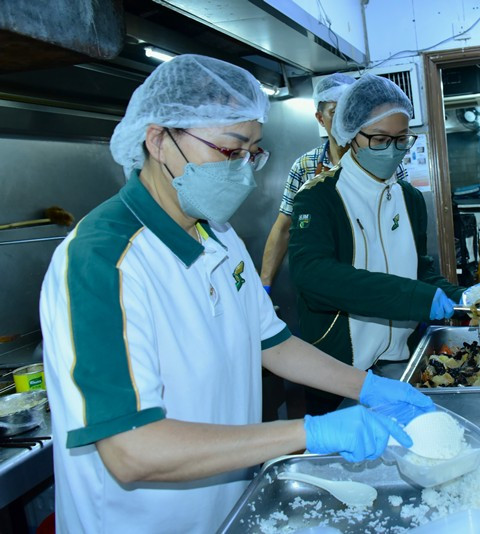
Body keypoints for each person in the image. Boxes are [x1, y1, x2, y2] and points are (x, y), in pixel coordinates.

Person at [38, 55, 432, 534]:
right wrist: (308, 432)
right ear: (159, 140)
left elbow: (273, 343)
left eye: (253, 153)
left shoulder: (219, 235)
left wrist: (368, 388)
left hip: (227, 510)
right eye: (230, 151)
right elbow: (131, 450)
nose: (244, 171)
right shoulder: (103, 259)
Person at [288, 74, 470, 414]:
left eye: (401, 140)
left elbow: (419, 270)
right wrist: (413, 298)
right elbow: (312, 275)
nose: (393, 150)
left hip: (402, 359)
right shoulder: (320, 197)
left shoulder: (409, 198)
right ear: (350, 135)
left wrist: (462, 297)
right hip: (339, 369)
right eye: (380, 139)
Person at [259, 73, 408, 293]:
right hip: (326, 281)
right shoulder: (305, 167)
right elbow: (283, 228)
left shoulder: (386, 162)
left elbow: (404, 224)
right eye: (335, 112)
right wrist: (264, 284)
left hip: (379, 278)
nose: (343, 120)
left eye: (350, 112)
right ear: (320, 118)